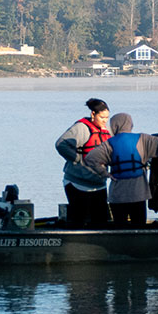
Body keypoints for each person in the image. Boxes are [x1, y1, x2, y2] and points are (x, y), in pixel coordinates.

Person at [83, 112, 158, 227]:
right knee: (139, 224)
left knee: (120, 225)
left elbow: (90, 158)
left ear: (115, 126)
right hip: (138, 192)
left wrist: (105, 173)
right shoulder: (143, 139)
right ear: (130, 125)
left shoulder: (108, 144)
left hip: (118, 193)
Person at [55, 98, 111, 228]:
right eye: (102, 117)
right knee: (79, 219)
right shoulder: (81, 128)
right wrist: (78, 159)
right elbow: (60, 144)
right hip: (77, 183)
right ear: (93, 114)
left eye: (107, 117)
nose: (105, 121)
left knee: (100, 221)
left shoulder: (107, 130)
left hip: (99, 184)